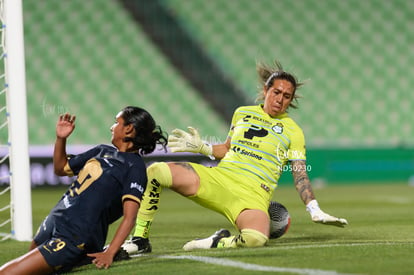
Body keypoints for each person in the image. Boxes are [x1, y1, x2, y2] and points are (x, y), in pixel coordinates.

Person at [122, 61, 348, 254]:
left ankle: (217, 242)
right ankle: (140, 239)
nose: (280, 99)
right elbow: (228, 149)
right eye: (276, 92)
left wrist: (314, 208)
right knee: (156, 171)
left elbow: (299, 172)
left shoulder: (293, 131)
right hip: (220, 178)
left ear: (291, 101)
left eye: (286, 96)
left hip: (253, 195)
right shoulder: (242, 113)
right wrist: (203, 147)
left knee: (256, 239)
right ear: (266, 90)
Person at [0, 106, 167, 274]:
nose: (112, 127)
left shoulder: (134, 168)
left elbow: (130, 217)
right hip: (55, 219)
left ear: (129, 129)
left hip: (75, 235)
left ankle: (84, 255)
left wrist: (110, 252)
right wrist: (60, 139)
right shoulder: (101, 150)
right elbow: (60, 168)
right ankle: (83, 258)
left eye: (116, 122)